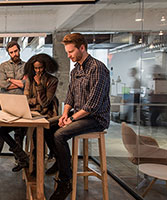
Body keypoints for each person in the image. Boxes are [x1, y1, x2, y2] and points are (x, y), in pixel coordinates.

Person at [47, 33, 110, 200]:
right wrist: (65, 114)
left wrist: (71, 119)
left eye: (71, 52)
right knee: (47, 126)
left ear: (82, 48)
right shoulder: (76, 70)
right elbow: (70, 96)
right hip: (79, 115)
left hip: (96, 118)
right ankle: (61, 163)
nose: (68, 55)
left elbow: (93, 105)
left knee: (59, 135)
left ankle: (65, 182)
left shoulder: (97, 68)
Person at [0, 41, 27, 171]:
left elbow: (27, 83)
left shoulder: (26, 66)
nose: (14, 54)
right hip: (5, 103)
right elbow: (2, 84)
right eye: (11, 52)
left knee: (19, 133)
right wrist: (19, 83)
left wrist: (11, 81)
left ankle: (19, 158)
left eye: (16, 51)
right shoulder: (3, 66)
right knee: (1, 133)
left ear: (19, 50)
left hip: (21, 102)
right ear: (8, 53)